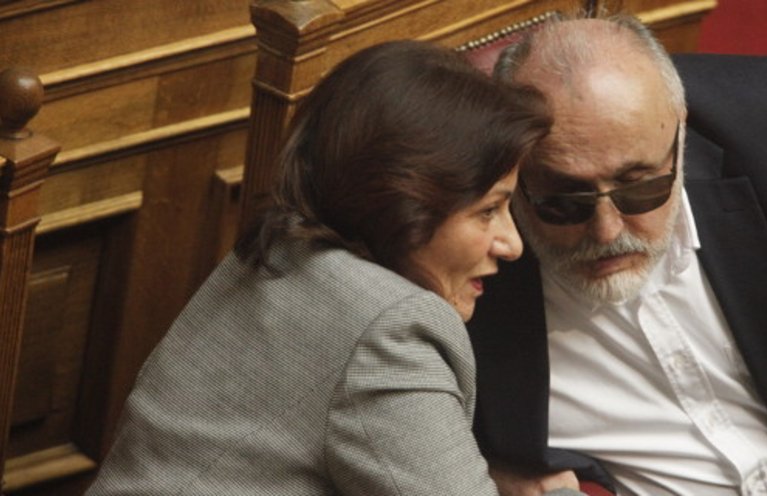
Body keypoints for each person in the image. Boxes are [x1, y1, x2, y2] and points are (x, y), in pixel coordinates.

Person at [466, 14, 767, 496]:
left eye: (641, 188)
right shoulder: (459, 253)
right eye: (565, 202)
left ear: (680, 131)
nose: (607, 232)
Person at [86, 40, 580, 495]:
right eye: (488, 210)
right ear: (405, 201)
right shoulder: (388, 329)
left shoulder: (286, 250)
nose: (512, 244)